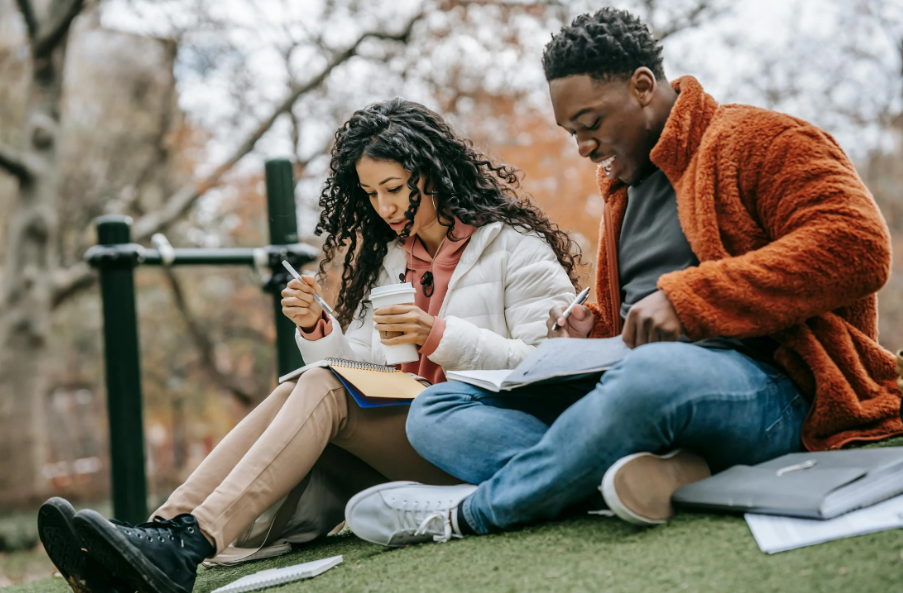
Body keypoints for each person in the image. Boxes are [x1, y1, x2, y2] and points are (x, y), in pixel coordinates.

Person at [344, 8, 903, 547]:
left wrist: (687, 301)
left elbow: (857, 246)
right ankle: (629, 474)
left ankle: (471, 512)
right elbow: (631, 327)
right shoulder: (621, 189)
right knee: (437, 410)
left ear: (642, 86)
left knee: (648, 377)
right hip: (634, 380)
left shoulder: (761, 140)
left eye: (590, 124)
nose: (584, 147)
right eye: (571, 133)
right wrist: (587, 334)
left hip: (769, 387)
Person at [37, 98, 579, 593]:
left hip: (474, 441)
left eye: (394, 188)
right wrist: (319, 329)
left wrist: (440, 337)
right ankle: (159, 532)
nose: (385, 207)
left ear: (434, 173)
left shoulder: (514, 247)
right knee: (304, 382)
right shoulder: (394, 261)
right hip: (408, 433)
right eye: (370, 194)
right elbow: (365, 370)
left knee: (321, 384)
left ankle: (186, 545)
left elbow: (545, 368)